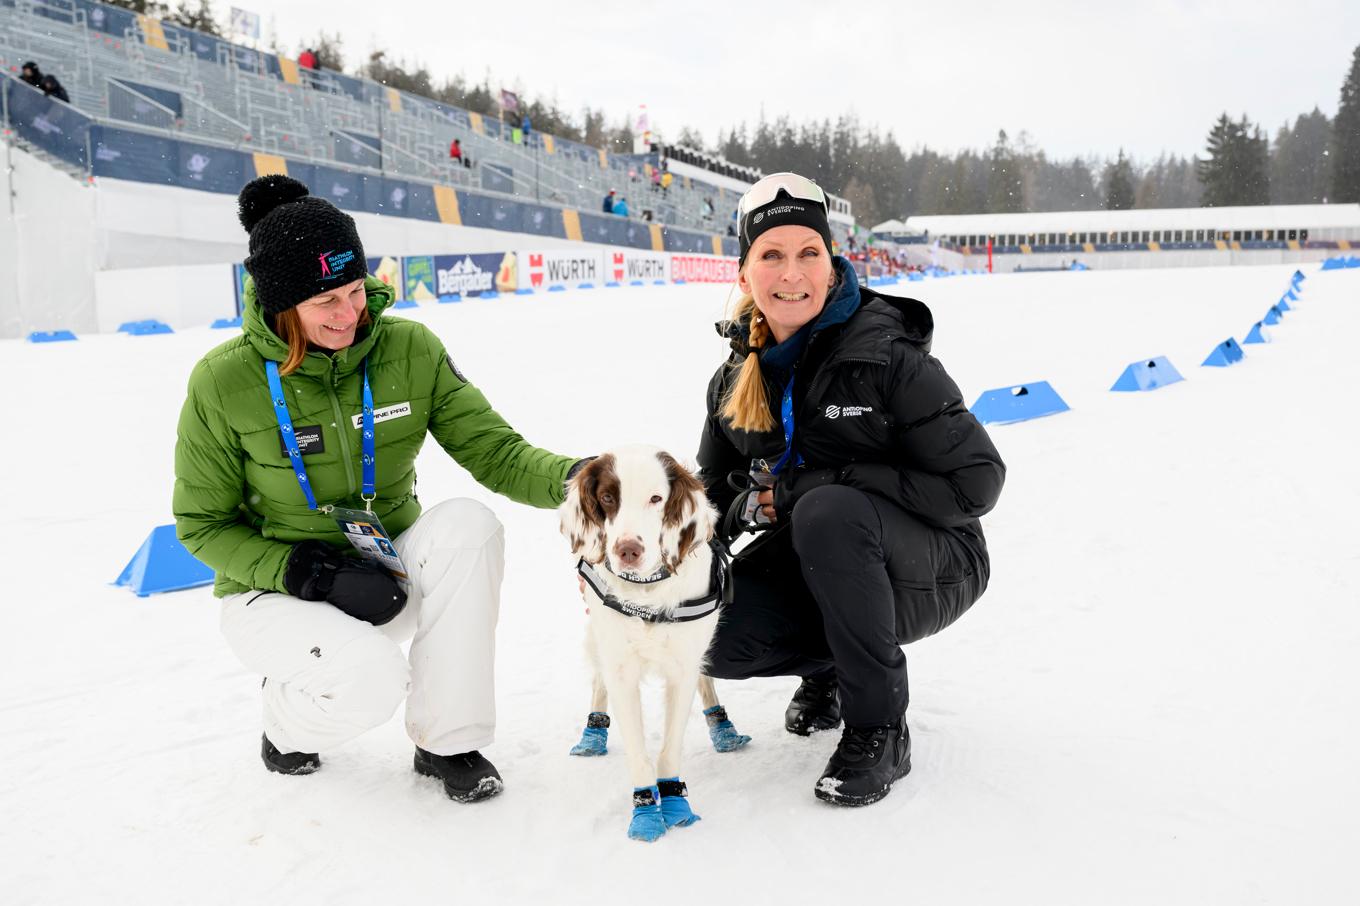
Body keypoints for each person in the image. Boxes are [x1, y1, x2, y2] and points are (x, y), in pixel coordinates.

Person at [173, 175, 585, 803]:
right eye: (325, 303)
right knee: (370, 682)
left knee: (468, 528)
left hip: (384, 574)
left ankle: (447, 741)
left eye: (355, 291)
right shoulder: (223, 382)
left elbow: (495, 452)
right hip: (276, 590)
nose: (350, 314)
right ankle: (286, 720)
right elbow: (201, 525)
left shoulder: (410, 348)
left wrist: (582, 481)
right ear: (283, 305)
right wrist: (301, 571)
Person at [697, 172, 1005, 807]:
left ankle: (879, 727)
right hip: (822, 564)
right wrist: (735, 506)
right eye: (772, 255)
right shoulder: (732, 378)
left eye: (809, 252)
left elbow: (978, 481)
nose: (792, 273)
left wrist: (813, 485)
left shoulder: (885, 355)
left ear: (832, 262)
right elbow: (703, 499)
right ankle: (831, 668)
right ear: (744, 272)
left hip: (934, 564)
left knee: (828, 511)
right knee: (710, 632)